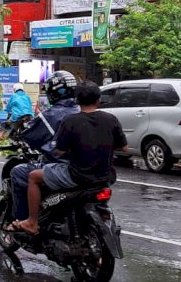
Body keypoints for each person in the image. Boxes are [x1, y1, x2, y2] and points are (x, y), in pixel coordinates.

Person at [10, 81, 128, 236]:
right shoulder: (111, 119)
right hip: (105, 177)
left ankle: (32, 222)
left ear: (77, 100)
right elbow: (124, 148)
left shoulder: (71, 121)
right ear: (99, 100)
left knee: (33, 177)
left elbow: (59, 151)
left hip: (77, 176)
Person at [0, 71, 81, 223]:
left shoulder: (52, 115)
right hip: (89, 169)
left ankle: (27, 221)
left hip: (64, 168)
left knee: (20, 173)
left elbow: (31, 136)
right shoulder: (84, 112)